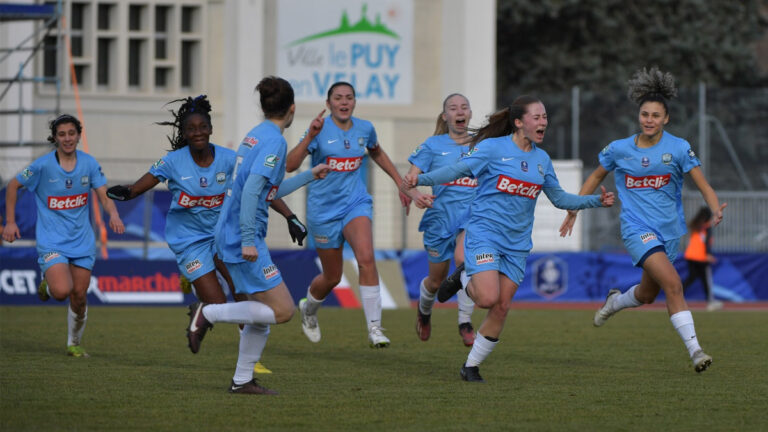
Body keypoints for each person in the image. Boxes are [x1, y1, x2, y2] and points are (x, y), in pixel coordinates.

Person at [402, 96, 614, 382]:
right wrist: (422, 178)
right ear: (518, 123)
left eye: (545, 117)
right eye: (536, 117)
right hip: (484, 233)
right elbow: (458, 170)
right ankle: (464, 277)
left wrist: (595, 202)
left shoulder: (542, 160)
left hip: (516, 245)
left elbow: (560, 198)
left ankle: (470, 367)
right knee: (488, 298)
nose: (543, 122)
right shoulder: (492, 148)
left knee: (502, 306)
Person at [559, 67, 727, 373]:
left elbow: (702, 184)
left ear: (666, 119)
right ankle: (696, 351)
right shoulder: (620, 149)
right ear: (639, 116)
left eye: (655, 115)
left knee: (647, 294)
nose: (649, 120)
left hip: (670, 232)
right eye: (645, 114)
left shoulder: (677, 148)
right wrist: (575, 207)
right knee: (674, 285)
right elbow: (596, 175)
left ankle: (614, 302)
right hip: (637, 229)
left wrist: (714, 208)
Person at [185, 76, 329, 395]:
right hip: (240, 236)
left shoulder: (255, 135)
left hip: (229, 230)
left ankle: (242, 381)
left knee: (260, 316)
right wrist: (249, 239)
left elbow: (267, 190)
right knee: (283, 310)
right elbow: (251, 192)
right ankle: (206, 312)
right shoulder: (275, 142)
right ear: (291, 110)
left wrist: (309, 175)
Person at [285, 81, 411, 348]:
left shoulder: (365, 129)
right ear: (328, 103)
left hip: (356, 204)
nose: (344, 102)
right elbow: (290, 165)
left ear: (354, 102)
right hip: (323, 211)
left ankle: (375, 328)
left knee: (366, 258)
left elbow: (376, 152)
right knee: (332, 277)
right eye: (338, 98)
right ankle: (308, 311)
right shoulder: (319, 130)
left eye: (349, 98)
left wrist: (399, 181)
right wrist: (309, 135)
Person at [3, 114, 125, 357]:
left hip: (82, 241)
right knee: (61, 292)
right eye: (62, 134)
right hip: (52, 241)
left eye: (71, 133)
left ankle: (74, 343)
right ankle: (47, 285)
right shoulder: (42, 166)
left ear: (79, 135)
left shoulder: (89, 164)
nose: (67, 138)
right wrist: (10, 222)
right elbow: (13, 186)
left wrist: (113, 214)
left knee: (79, 296)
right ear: (55, 138)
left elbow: (103, 194)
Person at [405, 93, 477, 346]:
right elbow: (409, 179)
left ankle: (465, 322)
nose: (460, 111)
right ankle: (424, 313)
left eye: (464, 107)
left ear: (470, 114)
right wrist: (414, 195)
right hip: (439, 219)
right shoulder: (433, 145)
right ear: (445, 116)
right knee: (435, 281)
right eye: (453, 108)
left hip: (471, 217)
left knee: (466, 260)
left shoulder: (482, 145)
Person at [682, 206, 721, 311]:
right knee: (706, 280)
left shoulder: (695, 225)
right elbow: (707, 242)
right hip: (701, 257)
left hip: (690, 255)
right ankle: (710, 301)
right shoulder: (707, 227)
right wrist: (708, 254)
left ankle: (677, 296)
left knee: (691, 278)